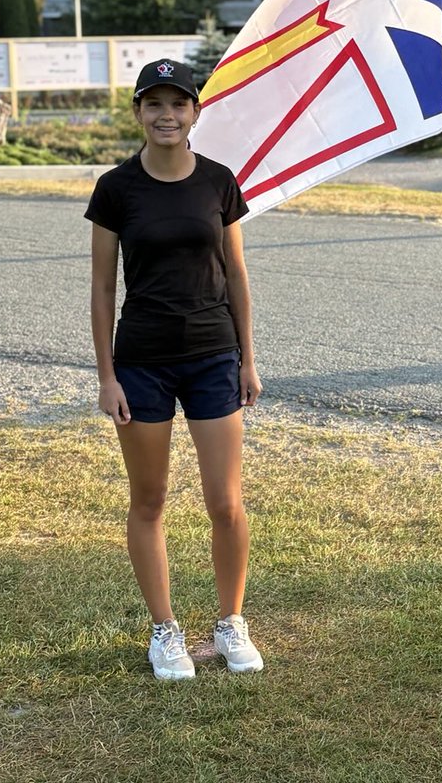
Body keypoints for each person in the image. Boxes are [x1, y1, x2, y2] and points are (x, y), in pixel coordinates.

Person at [86, 58, 263, 681]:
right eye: (154, 104)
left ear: (195, 112)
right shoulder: (116, 188)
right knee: (151, 499)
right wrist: (107, 376)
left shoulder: (218, 182)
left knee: (226, 501)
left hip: (215, 357)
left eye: (177, 104)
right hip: (142, 363)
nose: (166, 115)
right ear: (138, 112)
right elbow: (103, 289)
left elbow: (236, 274)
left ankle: (230, 622)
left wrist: (247, 358)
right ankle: (166, 631)